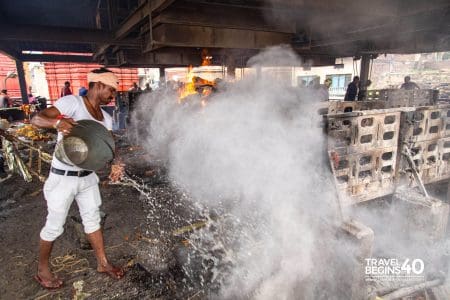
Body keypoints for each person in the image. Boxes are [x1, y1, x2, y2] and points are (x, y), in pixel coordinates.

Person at [31, 68, 125, 289]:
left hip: (87, 176)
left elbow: (111, 146)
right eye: (111, 90)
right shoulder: (72, 103)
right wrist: (56, 124)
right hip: (63, 177)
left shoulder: (106, 118)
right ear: (98, 85)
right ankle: (42, 269)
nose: (113, 95)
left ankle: (103, 263)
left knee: (92, 219)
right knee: (54, 226)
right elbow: (36, 119)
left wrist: (116, 162)